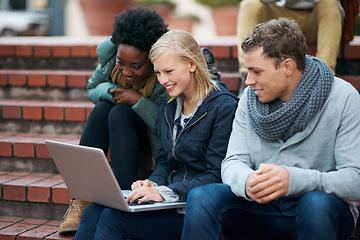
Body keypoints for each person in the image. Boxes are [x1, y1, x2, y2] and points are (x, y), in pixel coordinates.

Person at [182, 18, 360, 240]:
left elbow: (355, 179)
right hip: (260, 206)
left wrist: (293, 180)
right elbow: (233, 161)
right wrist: (248, 181)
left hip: (320, 210)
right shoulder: (249, 98)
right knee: (201, 197)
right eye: (248, 71)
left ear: (287, 66)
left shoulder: (343, 98)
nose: (248, 81)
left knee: (315, 203)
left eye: (257, 71)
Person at [73, 29, 239, 240]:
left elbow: (217, 175)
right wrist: (151, 184)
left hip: (195, 210)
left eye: (169, 71)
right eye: (158, 72)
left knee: (112, 219)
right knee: (92, 212)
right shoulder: (169, 104)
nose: (162, 80)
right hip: (171, 200)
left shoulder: (224, 108)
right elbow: (164, 161)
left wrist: (163, 192)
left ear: (192, 64)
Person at [58, 7, 168, 234]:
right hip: (121, 130)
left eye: (136, 66)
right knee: (102, 109)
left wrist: (137, 100)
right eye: (122, 63)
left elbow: (164, 125)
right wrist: (114, 92)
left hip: (153, 141)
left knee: (120, 112)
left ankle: (123, 195)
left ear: (152, 58)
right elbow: (92, 88)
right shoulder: (109, 60)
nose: (127, 71)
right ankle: (81, 198)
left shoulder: (163, 74)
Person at [236, 0, 344, 96]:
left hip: (315, 17)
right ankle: (247, 74)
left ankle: (324, 77)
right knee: (249, 4)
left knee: (330, 3)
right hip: (277, 16)